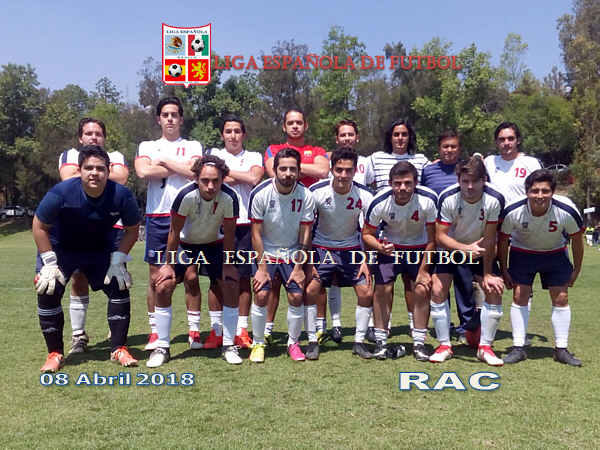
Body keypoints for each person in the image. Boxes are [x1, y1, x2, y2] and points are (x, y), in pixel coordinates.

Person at [34, 145, 141, 373]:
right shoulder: (61, 192)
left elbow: (132, 230)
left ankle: (118, 348)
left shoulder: (121, 195)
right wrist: (49, 262)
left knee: (119, 283)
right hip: (61, 249)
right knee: (48, 289)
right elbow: (39, 226)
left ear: (109, 171)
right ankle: (55, 353)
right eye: (89, 168)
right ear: (80, 170)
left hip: (99, 248)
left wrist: (118, 259)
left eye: (100, 168)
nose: (94, 173)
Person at [147, 155, 242, 367]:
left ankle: (229, 345)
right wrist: (169, 265)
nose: (210, 186)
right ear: (196, 179)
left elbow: (229, 235)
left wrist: (228, 265)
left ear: (223, 179)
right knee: (163, 285)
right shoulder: (185, 195)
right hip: (185, 245)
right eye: (205, 180)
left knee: (231, 284)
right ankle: (162, 347)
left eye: (216, 180)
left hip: (214, 245)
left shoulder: (230, 197)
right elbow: (174, 232)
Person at [135, 97, 203, 351]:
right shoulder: (147, 145)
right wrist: (179, 167)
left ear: (181, 119)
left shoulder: (192, 145)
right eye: (165, 115)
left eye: (174, 115)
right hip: (158, 217)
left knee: (191, 276)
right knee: (156, 278)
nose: (170, 119)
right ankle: (155, 332)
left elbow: (196, 172)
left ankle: (194, 330)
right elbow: (143, 172)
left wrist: (162, 162)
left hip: (189, 216)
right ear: (159, 119)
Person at [58, 118, 129, 354]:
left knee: (117, 278)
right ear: (80, 137)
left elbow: (122, 178)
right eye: (88, 133)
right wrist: (105, 175)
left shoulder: (116, 156)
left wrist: (88, 175)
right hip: (78, 225)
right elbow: (68, 177)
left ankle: (116, 332)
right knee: (78, 277)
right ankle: (78, 335)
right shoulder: (69, 154)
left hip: (112, 226)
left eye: (98, 133)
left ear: (104, 137)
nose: (94, 137)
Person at [498, 170, 584, 366]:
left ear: (552, 192)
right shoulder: (513, 210)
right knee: (519, 295)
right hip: (523, 253)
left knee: (561, 298)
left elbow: (577, 239)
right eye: (535, 191)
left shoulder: (567, 210)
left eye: (545, 191)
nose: (540, 196)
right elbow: (503, 240)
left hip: (555, 253)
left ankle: (561, 349)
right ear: (527, 191)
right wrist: (504, 269)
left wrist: (576, 269)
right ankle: (518, 348)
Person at [430, 157, 505, 366]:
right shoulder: (448, 197)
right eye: (465, 181)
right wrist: (465, 248)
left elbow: (489, 237)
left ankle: (485, 348)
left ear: (484, 180)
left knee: (494, 289)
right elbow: (440, 237)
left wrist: (488, 274)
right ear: (458, 180)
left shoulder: (495, 199)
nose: (470, 187)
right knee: (437, 289)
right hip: (451, 248)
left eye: (475, 181)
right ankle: (444, 346)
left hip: (480, 249)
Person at [262, 108, 328, 343]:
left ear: (305, 125)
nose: (295, 126)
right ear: (284, 126)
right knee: (275, 280)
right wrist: (302, 167)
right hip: (281, 218)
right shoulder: (272, 149)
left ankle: (318, 328)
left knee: (314, 275)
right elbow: (273, 173)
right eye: (290, 123)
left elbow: (323, 170)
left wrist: (292, 166)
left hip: (311, 219)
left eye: (299, 122)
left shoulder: (318, 151)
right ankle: (267, 330)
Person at [363, 161, 438, 360]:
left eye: (407, 183)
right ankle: (380, 341)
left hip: (419, 247)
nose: (402, 188)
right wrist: (380, 247)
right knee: (382, 289)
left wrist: (424, 270)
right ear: (390, 183)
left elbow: (433, 239)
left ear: (415, 182)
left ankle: (419, 343)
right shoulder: (379, 201)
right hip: (390, 248)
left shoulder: (429, 199)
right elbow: (367, 234)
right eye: (397, 183)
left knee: (422, 289)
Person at [202, 115, 265, 350]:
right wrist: (238, 176)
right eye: (228, 131)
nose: (233, 135)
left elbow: (254, 177)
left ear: (244, 134)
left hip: (245, 225)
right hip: (217, 225)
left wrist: (227, 174)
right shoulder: (213, 154)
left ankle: (241, 331)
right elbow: (211, 180)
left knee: (243, 279)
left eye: (237, 131)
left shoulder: (254, 157)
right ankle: (216, 331)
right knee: (216, 279)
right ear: (222, 135)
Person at [248, 148, 315, 362]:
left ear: (299, 170)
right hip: (266, 252)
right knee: (261, 295)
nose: (288, 173)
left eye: (292, 169)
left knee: (296, 296)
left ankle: (293, 343)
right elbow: (255, 234)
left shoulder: (306, 195)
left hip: (292, 253)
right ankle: (258, 343)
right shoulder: (260, 193)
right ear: (274, 170)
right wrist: (261, 268)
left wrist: (299, 268)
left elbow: (306, 233)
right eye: (283, 168)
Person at [307, 147, 374, 359]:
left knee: (366, 293)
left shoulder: (365, 194)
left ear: (355, 170)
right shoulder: (316, 191)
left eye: (348, 170)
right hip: (321, 247)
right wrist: (308, 261)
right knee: (310, 291)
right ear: (331, 170)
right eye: (339, 170)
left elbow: (370, 232)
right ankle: (312, 341)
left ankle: (359, 343)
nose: (343, 175)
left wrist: (367, 261)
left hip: (351, 249)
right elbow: (305, 229)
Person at [368, 119, 430, 340]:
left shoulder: (421, 160)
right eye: (396, 134)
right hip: (389, 232)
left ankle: (416, 327)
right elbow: (363, 180)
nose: (400, 138)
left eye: (404, 134)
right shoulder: (376, 159)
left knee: (417, 285)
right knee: (384, 285)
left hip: (416, 233)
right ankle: (383, 328)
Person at [421, 131, 476, 342]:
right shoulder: (428, 172)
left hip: (462, 236)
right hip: (438, 238)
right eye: (445, 146)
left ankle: (466, 328)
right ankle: (444, 326)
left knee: (464, 285)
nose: (449, 150)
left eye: (453, 146)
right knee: (439, 285)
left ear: (459, 148)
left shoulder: (467, 169)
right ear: (439, 148)